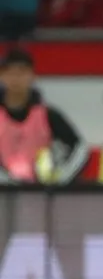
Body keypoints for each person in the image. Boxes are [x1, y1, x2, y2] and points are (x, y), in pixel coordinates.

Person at [0, 48, 87, 184]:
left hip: (39, 194)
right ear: (2, 76)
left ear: (33, 76)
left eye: (22, 72)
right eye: (10, 72)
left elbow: (80, 149)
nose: (16, 78)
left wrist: (61, 178)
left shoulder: (48, 115)